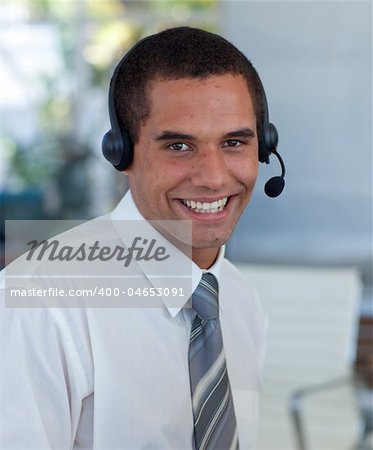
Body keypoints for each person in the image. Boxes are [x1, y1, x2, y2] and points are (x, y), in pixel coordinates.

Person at [0, 27, 279, 449]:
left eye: (235, 142)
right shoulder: (42, 300)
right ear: (121, 153)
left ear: (264, 147)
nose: (214, 177)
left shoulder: (241, 302)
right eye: (179, 146)